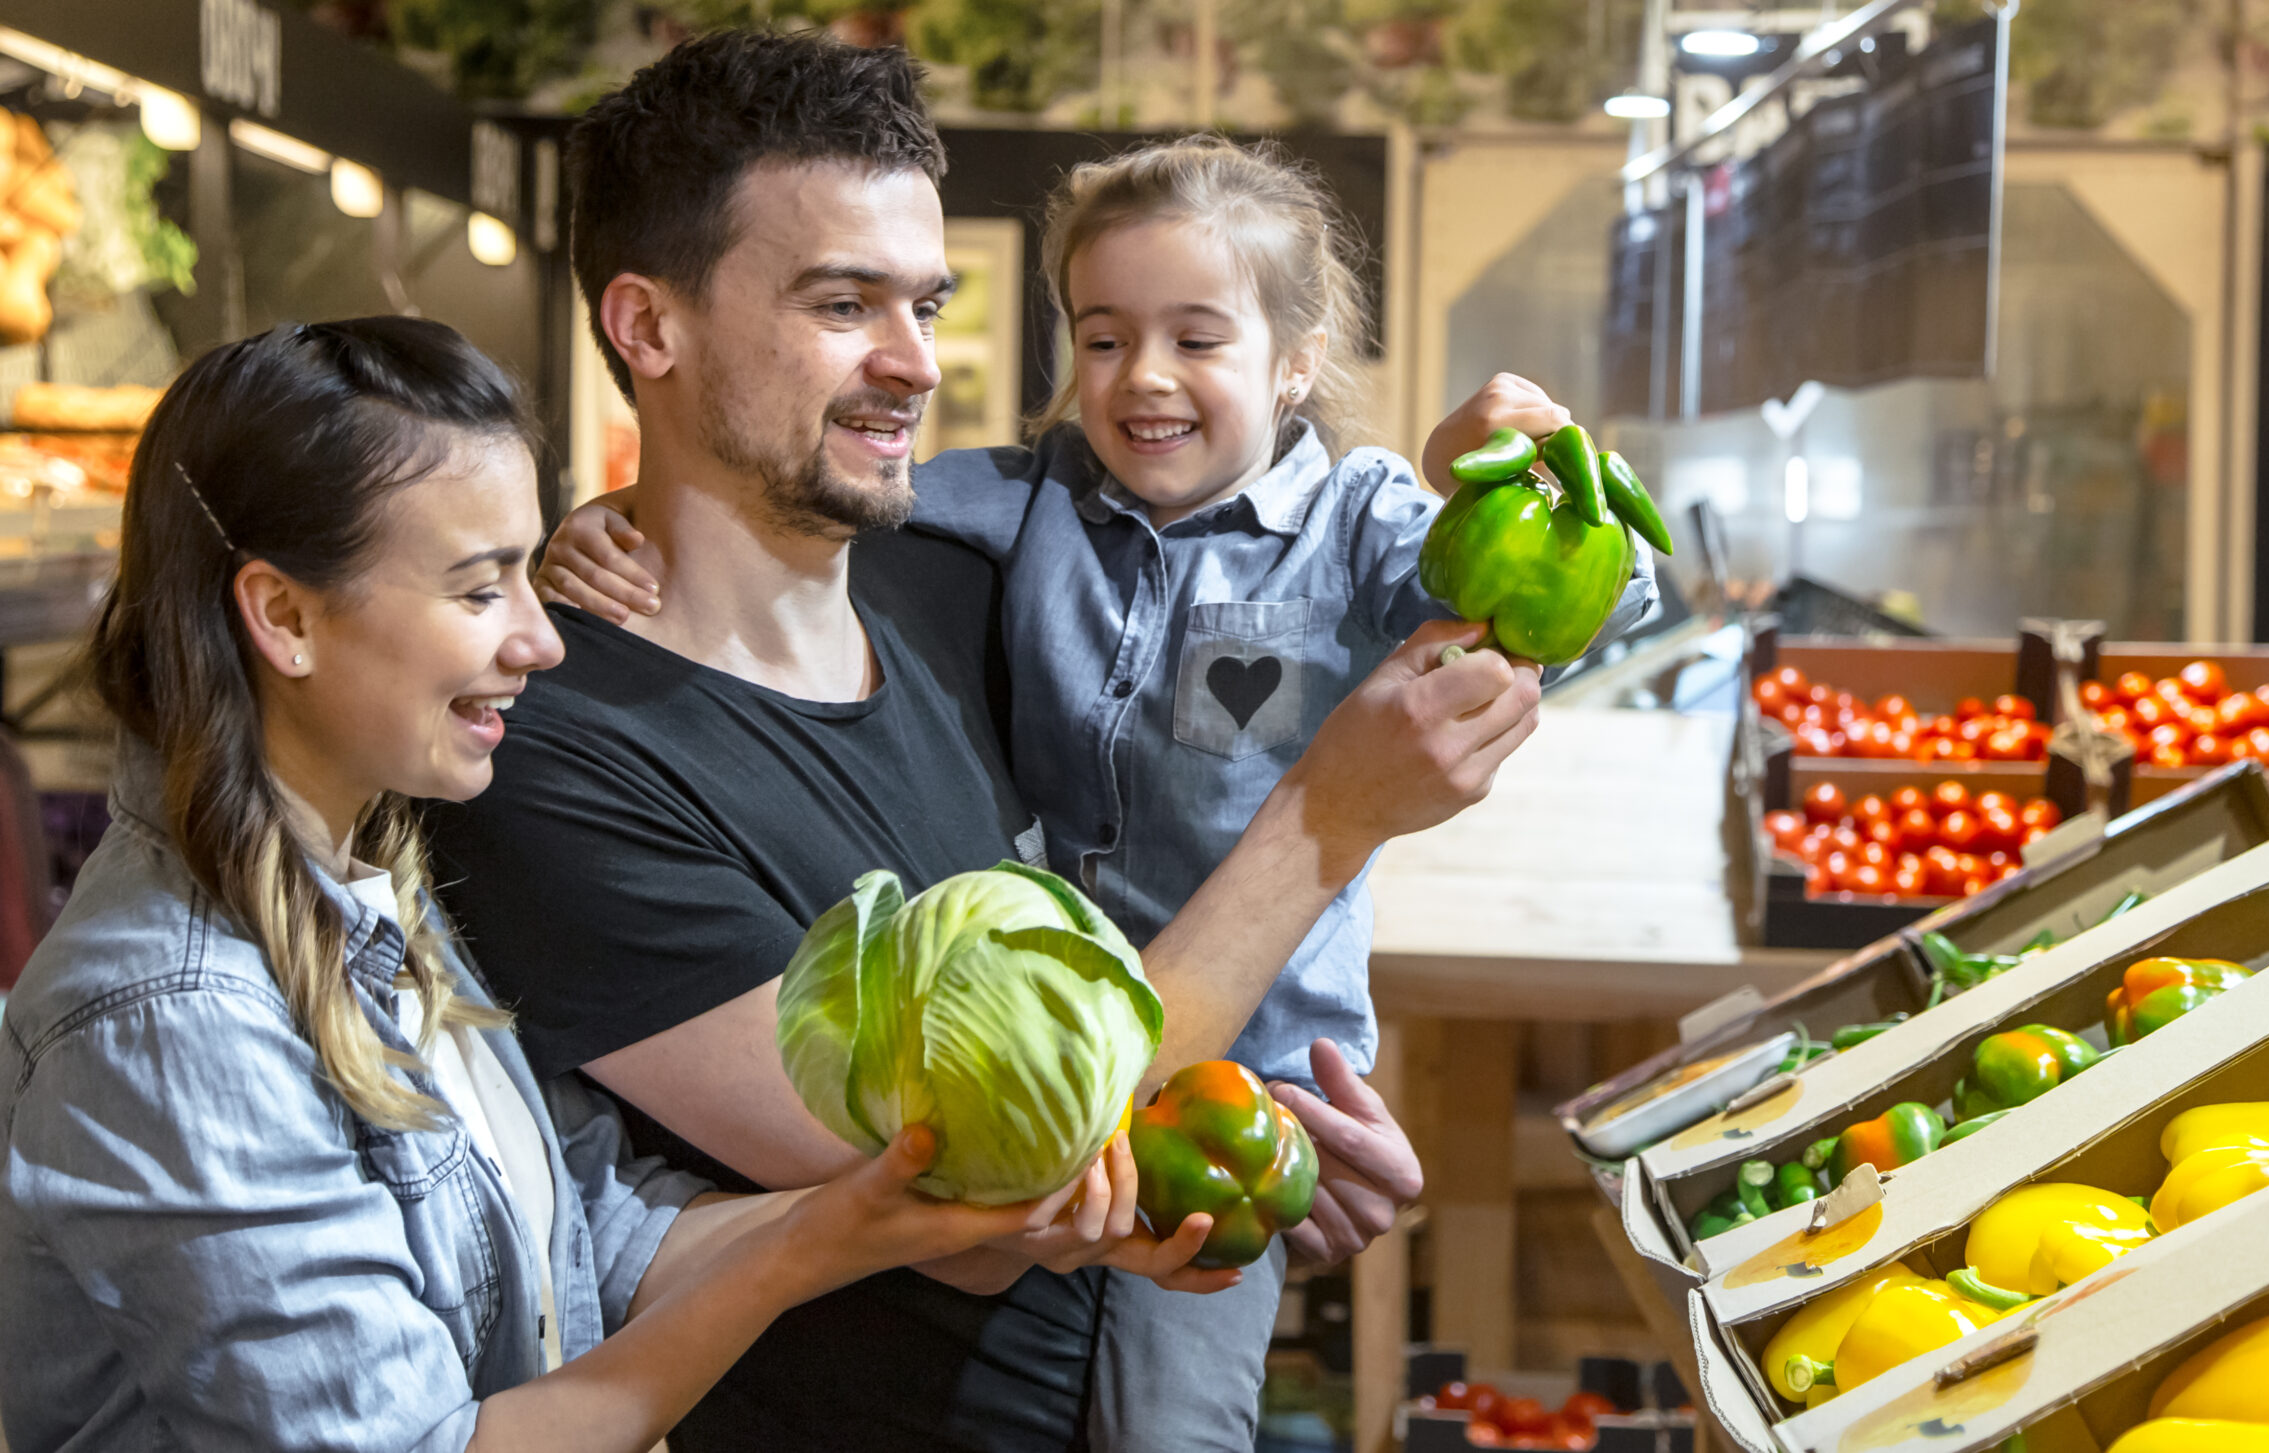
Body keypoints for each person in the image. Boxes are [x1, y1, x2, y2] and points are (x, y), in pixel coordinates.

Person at [426, 30, 1543, 1453]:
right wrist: (1331, 815)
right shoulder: (557, 754)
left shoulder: (960, 585)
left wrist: (1254, 1148)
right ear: (647, 329)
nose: (912, 362)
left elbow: (1116, 981)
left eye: (926, 303)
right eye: (844, 305)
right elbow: (957, 1195)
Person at [0, 317, 1125, 1453]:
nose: (544, 640)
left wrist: (890, 1216)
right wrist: (811, 1245)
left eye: (529, 569)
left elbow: (600, 1231)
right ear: (284, 616)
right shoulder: (172, 1018)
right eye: (481, 590)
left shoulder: (382, 874)